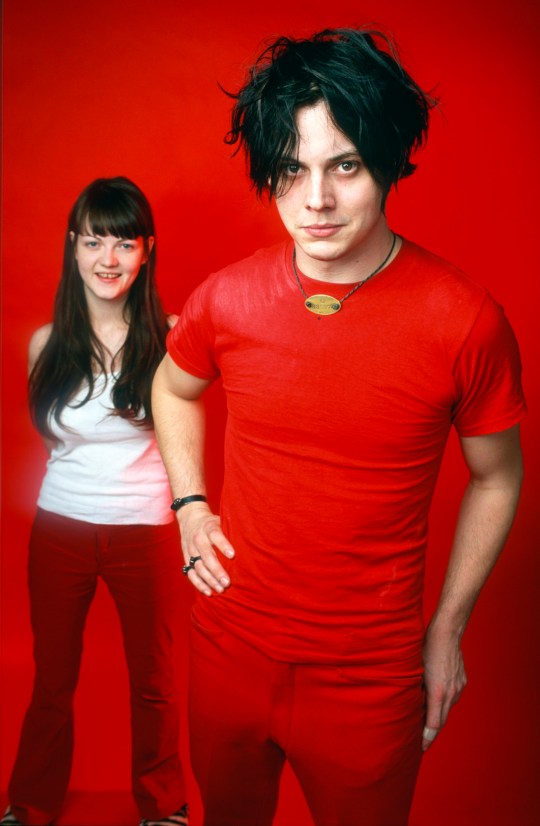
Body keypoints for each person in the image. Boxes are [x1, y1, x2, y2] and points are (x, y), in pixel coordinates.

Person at [152, 29, 526, 826]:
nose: (315, 200)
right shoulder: (227, 298)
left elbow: (499, 474)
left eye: (344, 165)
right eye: (292, 169)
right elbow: (173, 387)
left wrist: (448, 627)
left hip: (369, 676)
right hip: (229, 649)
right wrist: (190, 507)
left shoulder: (466, 321)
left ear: (387, 161)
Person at [2, 177, 189, 826]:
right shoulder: (45, 345)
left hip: (148, 529)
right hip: (60, 531)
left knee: (157, 684)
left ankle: (164, 807)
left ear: (146, 252)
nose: (108, 259)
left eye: (124, 242)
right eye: (93, 242)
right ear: (72, 250)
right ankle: (29, 802)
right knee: (51, 681)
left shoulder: (171, 336)